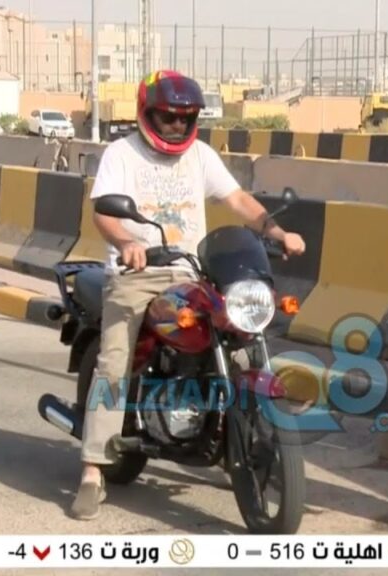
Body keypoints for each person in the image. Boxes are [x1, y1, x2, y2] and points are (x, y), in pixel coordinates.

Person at [71, 70, 306, 520]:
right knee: (114, 362)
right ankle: (92, 470)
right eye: (169, 116)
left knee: (236, 335)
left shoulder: (200, 156)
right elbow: (104, 212)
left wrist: (276, 231)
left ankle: (229, 432)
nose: (178, 125)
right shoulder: (122, 154)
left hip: (190, 271)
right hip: (136, 275)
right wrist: (126, 243)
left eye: (186, 117)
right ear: (147, 113)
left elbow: (237, 200)